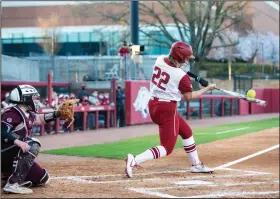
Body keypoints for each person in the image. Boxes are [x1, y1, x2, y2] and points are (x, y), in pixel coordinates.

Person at [125, 42, 216, 178]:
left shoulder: (160, 59)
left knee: (186, 132)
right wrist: (206, 89)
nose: (187, 60)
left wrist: (198, 79)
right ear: (180, 58)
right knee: (167, 148)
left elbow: (174, 70)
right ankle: (134, 160)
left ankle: (196, 164)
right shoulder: (181, 77)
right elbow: (189, 96)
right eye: (186, 58)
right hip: (167, 109)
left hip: (153, 104)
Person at [1, 85, 64, 194]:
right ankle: (13, 184)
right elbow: (2, 132)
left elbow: (39, 118)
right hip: (4, 153)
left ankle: (7, 177)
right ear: (25, 99)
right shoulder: (11, 113)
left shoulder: (28, 113)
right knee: (32, 143)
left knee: (42, 178)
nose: (36, 101)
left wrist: (57, 114)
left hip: (14, 153)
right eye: (33, 98)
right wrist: (18, 140)